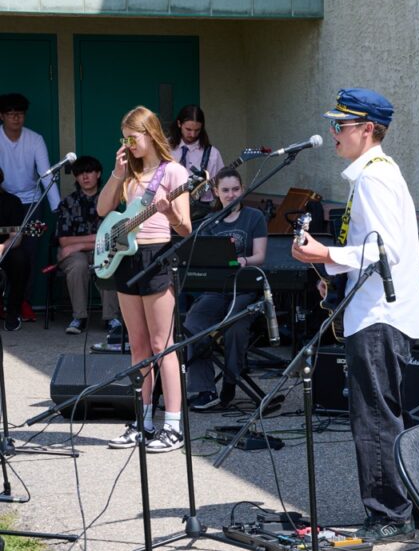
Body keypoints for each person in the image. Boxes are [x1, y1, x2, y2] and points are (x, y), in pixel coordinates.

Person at [291, 87, 419, 543]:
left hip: (377, 316)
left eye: (341, 126)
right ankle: (400, 506)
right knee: (381, 413)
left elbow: (382, 249)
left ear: (367, 130)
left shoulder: (373, 177)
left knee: (373, 417)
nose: (334, 134)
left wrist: (324, 252)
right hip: (375, 311)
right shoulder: (373, 175)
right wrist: (332, 269)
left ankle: (389, 513)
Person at [97, 106, 191, 453]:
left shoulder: (174, 171)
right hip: (126, 257)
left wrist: (168, 211)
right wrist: (117, 174)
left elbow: (185, 228)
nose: (128, 145)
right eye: (124, 139)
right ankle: (142, 421)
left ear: (150, 135)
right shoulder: (130, 175)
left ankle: (172, 425)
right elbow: (103, 210)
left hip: (156, 256)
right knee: (137, 345)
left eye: (132, 138)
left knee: (161, 344)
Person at [185, 167, 268, 410]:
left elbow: (260, 256)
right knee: (193, 324)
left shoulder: (254, 217)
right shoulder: (210, 222)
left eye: (235, 189)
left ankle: (231, 383)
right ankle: (205, 390)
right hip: (214, 289)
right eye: (225, 190)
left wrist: (243, 261)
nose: (231, 195)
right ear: (216, 192)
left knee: (235, 327)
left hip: (243, 289)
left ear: (242, 189)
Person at [0, 92, 61, 322]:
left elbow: (46, 174)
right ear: (2, 116)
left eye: (20, 114)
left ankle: (21, 302)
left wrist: (56, 206)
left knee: (28, 253)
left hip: (31, 201)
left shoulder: (35, 139)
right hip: (3, 199)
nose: (16, 118)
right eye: (11, 114)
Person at [54, 155, 121, 335]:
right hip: (75, 256)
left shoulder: (109, 201)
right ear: (76, 177)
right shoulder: (67, 203)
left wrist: (78, 245)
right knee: (78, 264)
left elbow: (112, 235)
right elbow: (64, 241)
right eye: (80, 173)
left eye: (89, 172)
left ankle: (111, 318)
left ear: (98, 174)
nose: (85, 177)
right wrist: (86, 243)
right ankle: (79, 318)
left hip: (101, 249)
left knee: (108, 259)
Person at [168, 105, 224, 207]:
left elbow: (220, 184)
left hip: (200, 211)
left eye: (197, 130)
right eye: (188, 129)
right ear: (179, 124)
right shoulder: (165, 148)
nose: (193, 134)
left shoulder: (212, 153)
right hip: (169, 207)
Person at [0, 167, 29, 332]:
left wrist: (2, 247)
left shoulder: (11, 202)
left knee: (20, 259)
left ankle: (13, 311)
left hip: (6, 250)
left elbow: (17, 236)